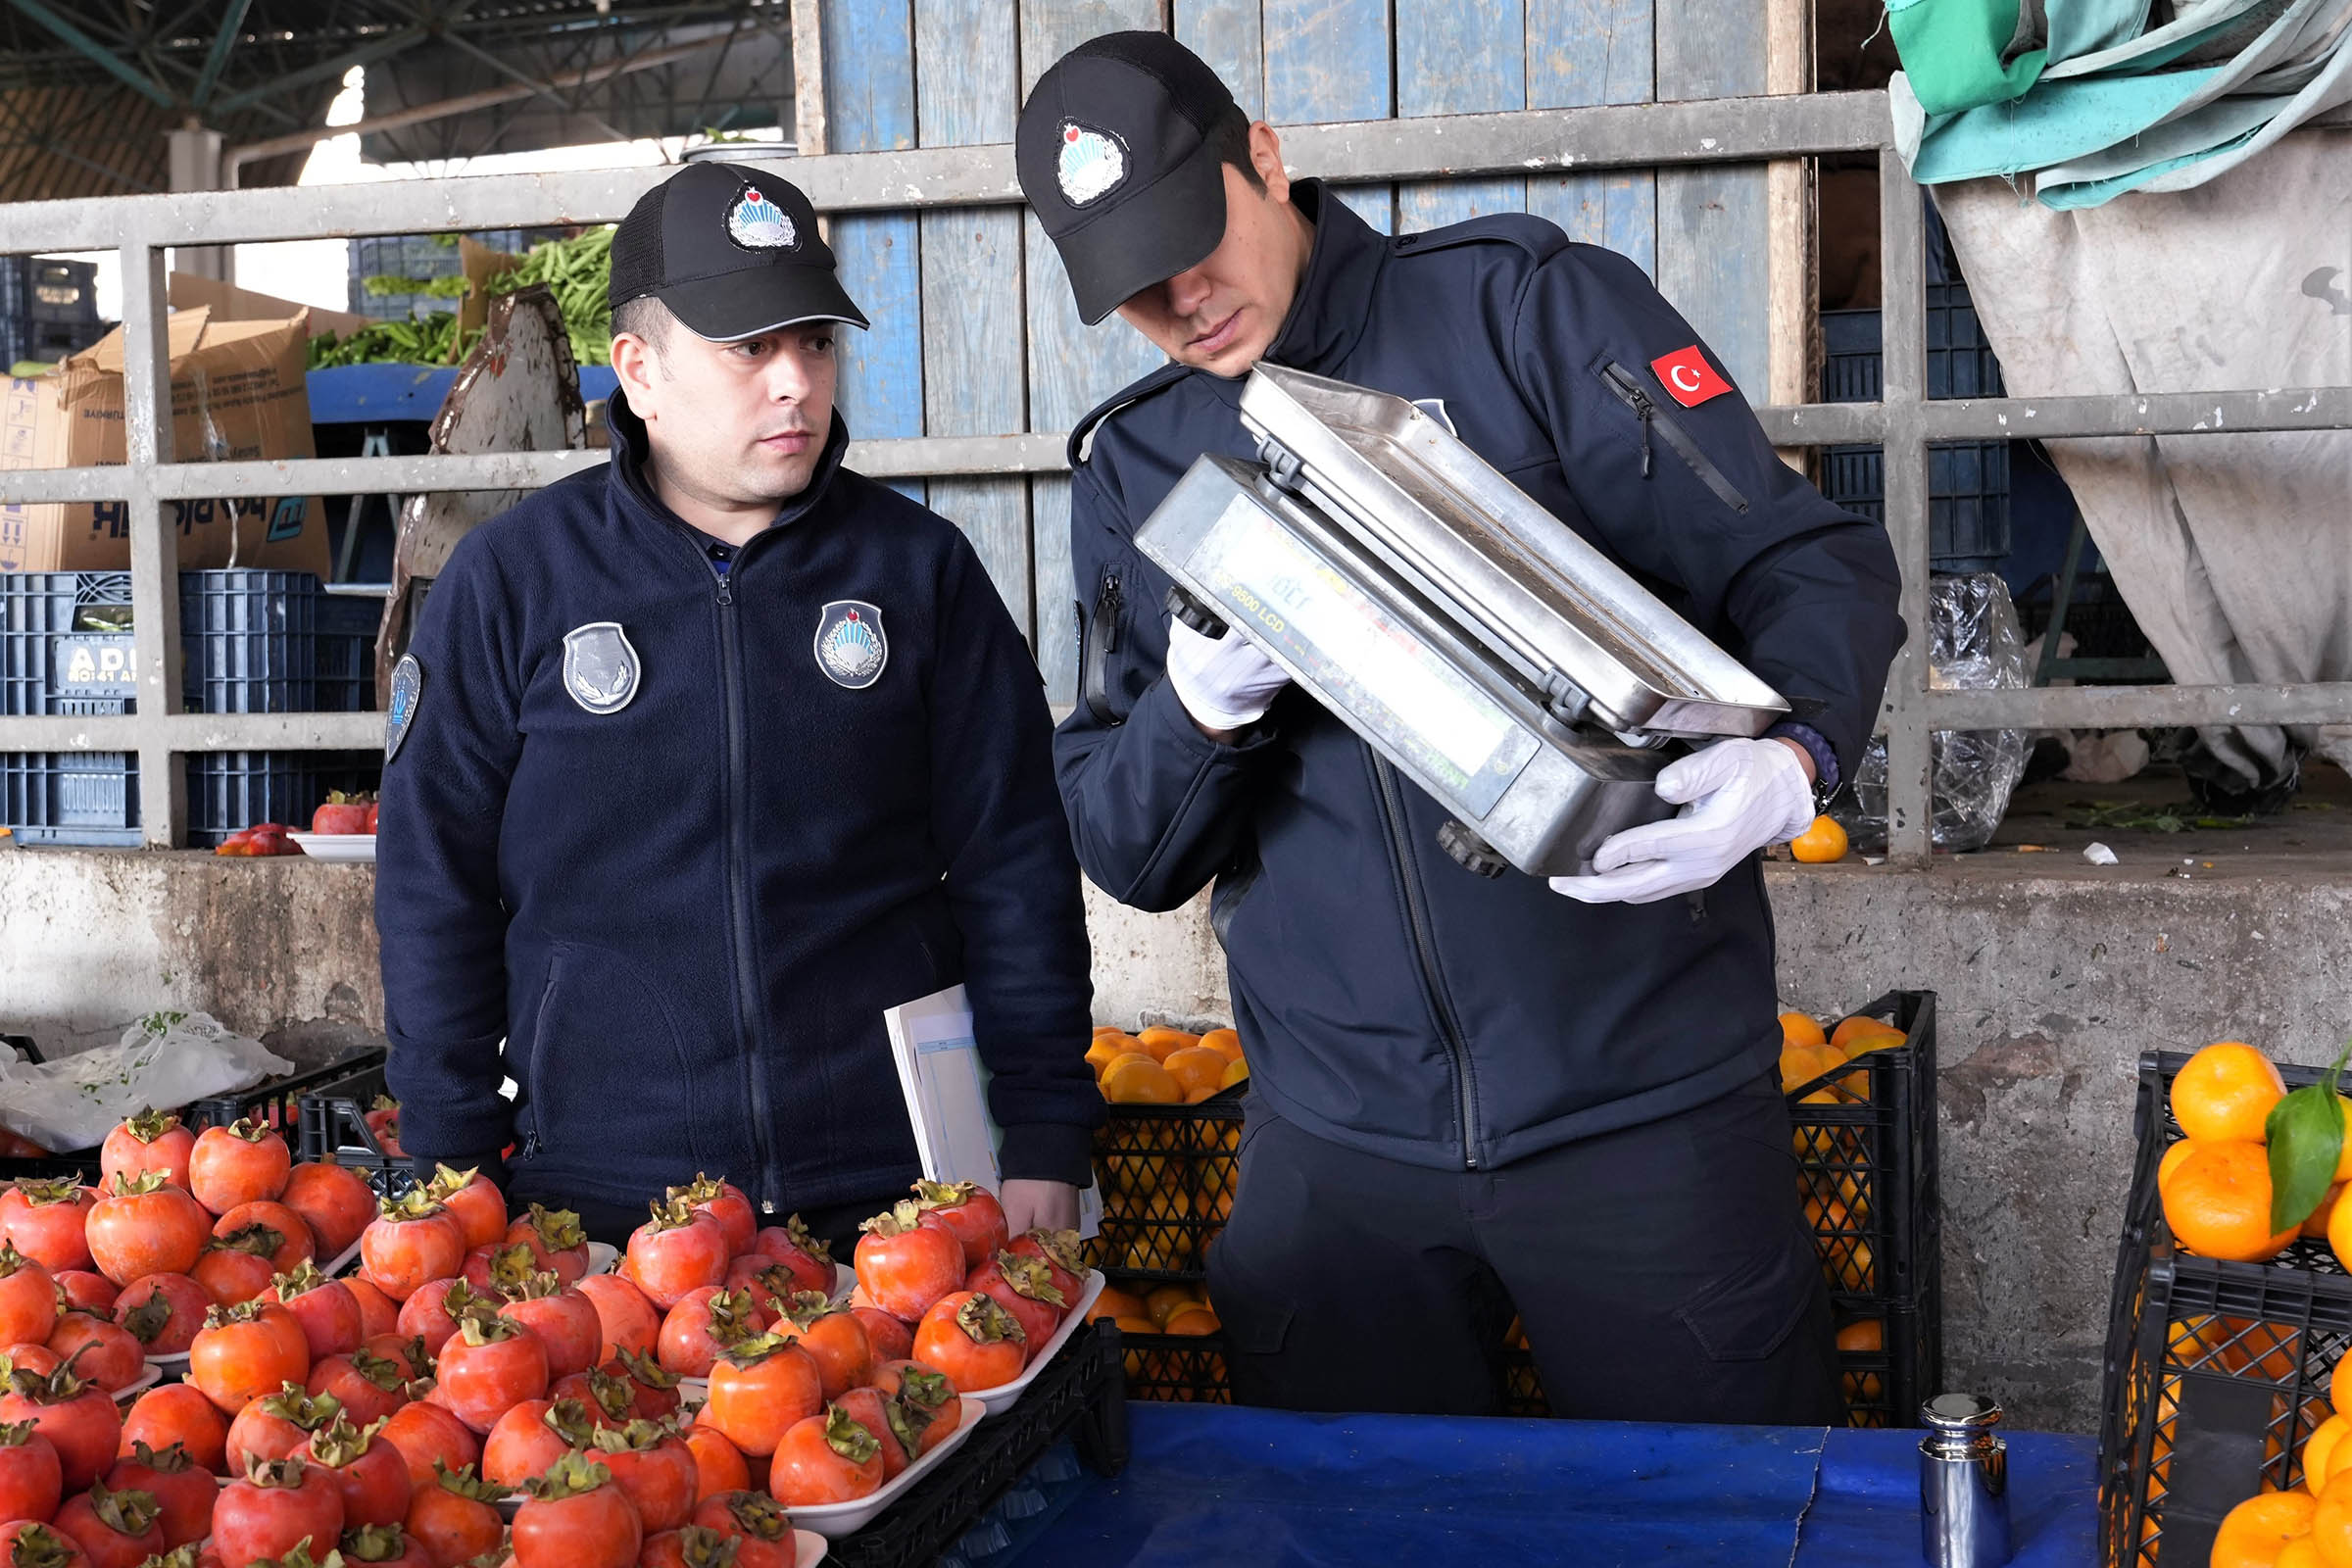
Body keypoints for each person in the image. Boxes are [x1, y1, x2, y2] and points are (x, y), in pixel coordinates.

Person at [1017, 33, 1905, 1421]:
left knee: (1710, 1524)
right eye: (1132, 285)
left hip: (1643, 1115)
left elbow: (1810, 564)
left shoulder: (1524, 313)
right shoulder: (1138, 467)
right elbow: (1131, 851)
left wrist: (1795, 761)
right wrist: (1198, 717)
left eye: (1194, 241)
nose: (1182, 301)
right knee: (1362, 1526)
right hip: (1334, 1150)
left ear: (1267, 157)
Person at [375, 164, 1102, 1253]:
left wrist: (1046, 1124)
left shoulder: (920, 573)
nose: (795, 383)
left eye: (813, 341)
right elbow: (431, 888)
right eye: (747, 348)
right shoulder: (512, 584)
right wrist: (451, 1169)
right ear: (640, 371)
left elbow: (1018, 865)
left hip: (897, 1198)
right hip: (605, 1205)